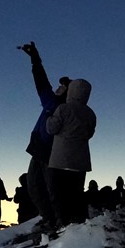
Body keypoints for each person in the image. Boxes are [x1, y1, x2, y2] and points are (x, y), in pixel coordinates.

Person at [19, 42, 68, 228]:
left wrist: (35, 60)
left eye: (63, 86)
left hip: (50, 151)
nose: (58, 87)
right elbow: (42, 82)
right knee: (34, 186)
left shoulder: (56, 105)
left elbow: (41, 82)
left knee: (51, 188)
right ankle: (49, 218)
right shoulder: (53, 103)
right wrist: (35, 59)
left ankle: (57, 220)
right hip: (40, 150)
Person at [45, 78, 97, 229]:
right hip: (80, 162)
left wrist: (49, 116)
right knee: (76, 194)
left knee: (58, 194)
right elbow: (89, 134)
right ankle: (77, 225)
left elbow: (51, 129)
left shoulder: (63, 109)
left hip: (60, 160)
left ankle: (62, 224)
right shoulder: (90, 114)